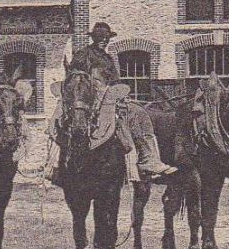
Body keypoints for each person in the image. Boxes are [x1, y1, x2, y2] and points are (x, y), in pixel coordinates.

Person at [72, 21, 176, 182]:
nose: (104, 41)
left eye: (106, 38)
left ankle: (148, 159)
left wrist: (121, 94)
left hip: (109, 97)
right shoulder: (83, 55)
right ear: (94, 38)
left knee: (139, 112)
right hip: (89, 100)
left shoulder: (108, 58)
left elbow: (115, 81)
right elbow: (76, 80)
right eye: (100, 37)